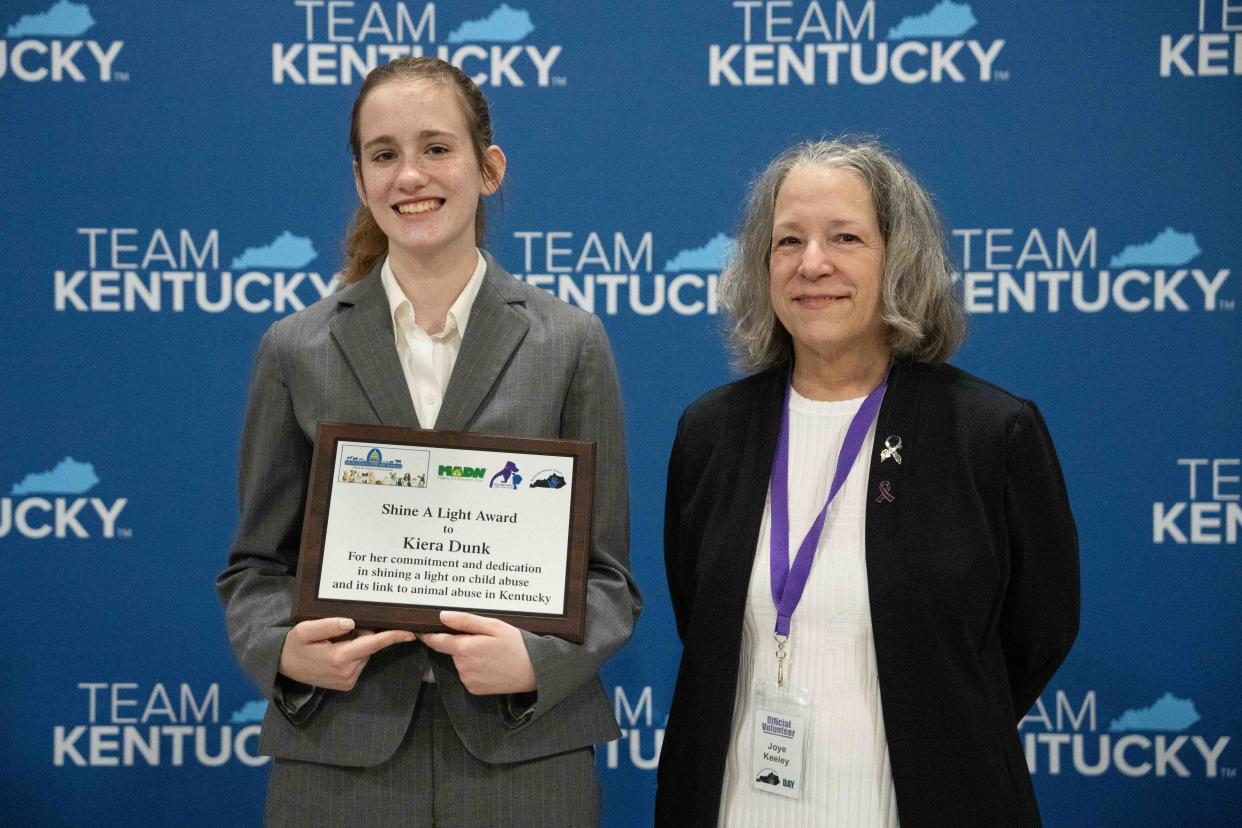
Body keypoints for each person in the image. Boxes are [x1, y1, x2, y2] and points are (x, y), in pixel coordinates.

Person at [217, 56, 639, 826]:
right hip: (341, 755)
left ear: (488, 167)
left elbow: (608, 578)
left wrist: (536, 660)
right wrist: (283, 648)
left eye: (436, 148)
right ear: (360, 179)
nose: (410, 174)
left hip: (525, 754)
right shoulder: (295, 348)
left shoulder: (571, 342)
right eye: (384, 154)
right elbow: (254, 568)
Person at [656, 139, 1078, 827]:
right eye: (787, 240)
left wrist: (940, 717)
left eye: (845, 237)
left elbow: (1039, 630)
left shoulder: (990, 432)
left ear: (899, 259)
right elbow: (698, 617)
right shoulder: (711, 432)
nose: (811, 263)